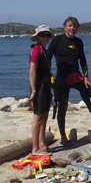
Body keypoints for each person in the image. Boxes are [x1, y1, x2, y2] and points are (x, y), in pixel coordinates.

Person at [48, 17, 91, 146]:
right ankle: (63, 136)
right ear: (64, 27)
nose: (72, 28)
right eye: (69, 26)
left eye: (74, 26)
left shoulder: (79, 42)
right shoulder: (57, 40)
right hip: (61, 79)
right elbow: (48, 59)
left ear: (77, 28)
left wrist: (86, 77)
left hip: (76, 77)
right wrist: (50, 78)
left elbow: (83, 60)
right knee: (62, 107)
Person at [27, 25, 54, 155]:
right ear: (37, 37)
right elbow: (32, 72)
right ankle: (35, 148)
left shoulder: (45, 51)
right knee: (37, 118)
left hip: (46, 87)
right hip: (39, 88)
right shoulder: (36, 50)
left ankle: (42, 144)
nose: (45, 37)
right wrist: (33, 91)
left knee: (44, 116)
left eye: (47, 35)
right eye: (42, 35)